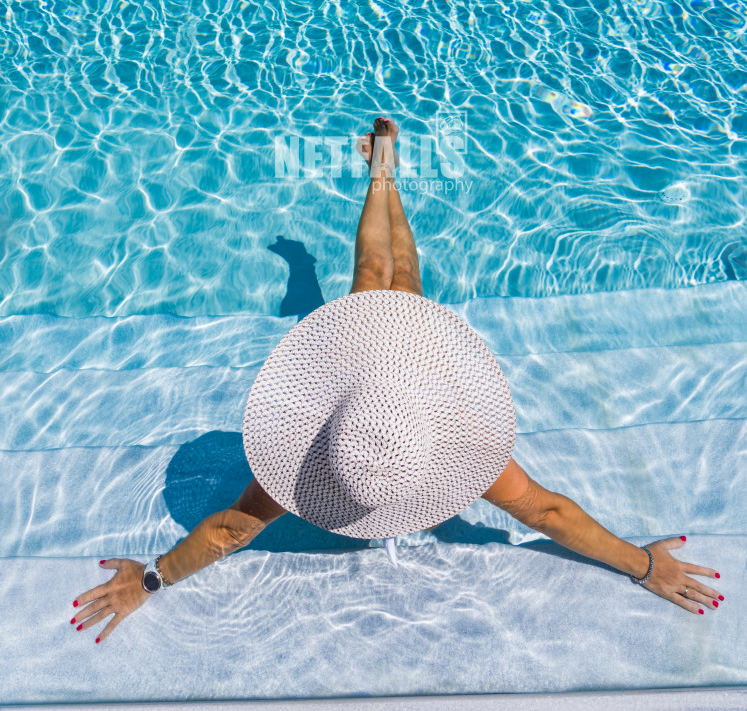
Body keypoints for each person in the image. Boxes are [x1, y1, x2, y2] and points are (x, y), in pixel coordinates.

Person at [70, 118, 723, 643]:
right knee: (393, 269)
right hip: (413, 376)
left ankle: (380, 170)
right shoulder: (473, 455)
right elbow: (545, 513)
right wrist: (641, 566)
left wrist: (152, 581)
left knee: (382, 269)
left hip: (369, 375)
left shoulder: (296, 468)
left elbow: (228, 531)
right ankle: (382, 169)